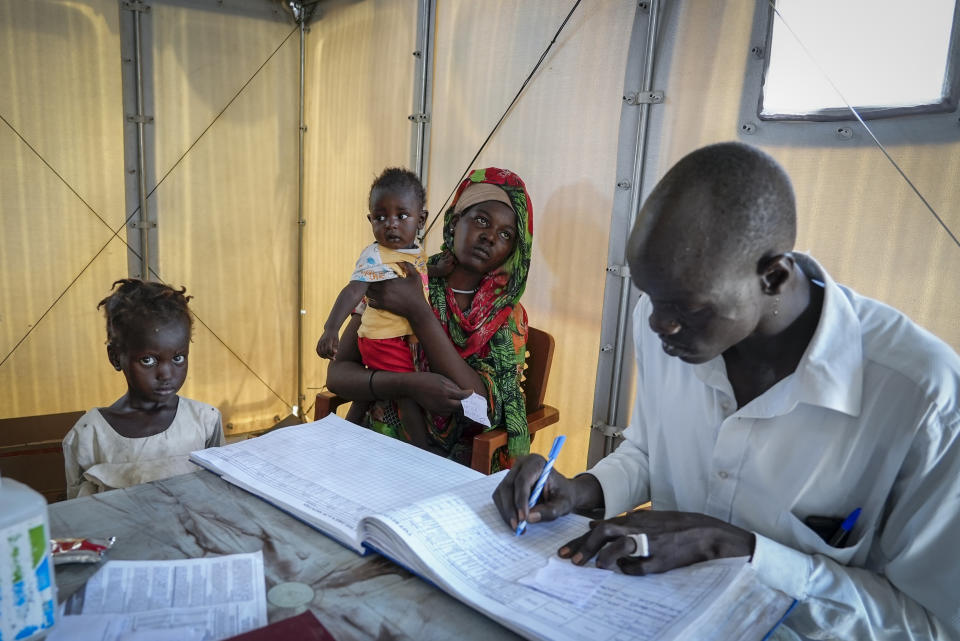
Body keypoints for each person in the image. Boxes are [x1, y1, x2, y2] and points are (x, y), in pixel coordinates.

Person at [494, 143, 960, 639]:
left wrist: (743, 552)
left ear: (773, 276)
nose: (659, 324)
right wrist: (584, 490)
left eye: (686, 308)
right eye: (650, 298)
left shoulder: (924, 399)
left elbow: (933, 622)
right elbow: (652, 452)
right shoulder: (670, 329)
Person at [327, 167, 533, 470]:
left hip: (456, 465)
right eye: (481, 221)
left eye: (505, 234)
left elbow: (478, 410)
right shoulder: (399, 275)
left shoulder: (506, 316)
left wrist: (419, 313)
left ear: (513, 248)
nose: (490, 237)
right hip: (377, 443)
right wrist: (409, 385)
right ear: (453, 222)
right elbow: (337, 376)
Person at [63, 279, 223, 498]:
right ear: (116, 358)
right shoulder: (89, 435)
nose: (166, 374)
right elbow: (79, 512)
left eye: (178, 358)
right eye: (148, 360)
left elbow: (220, 492)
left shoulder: (205, 421)